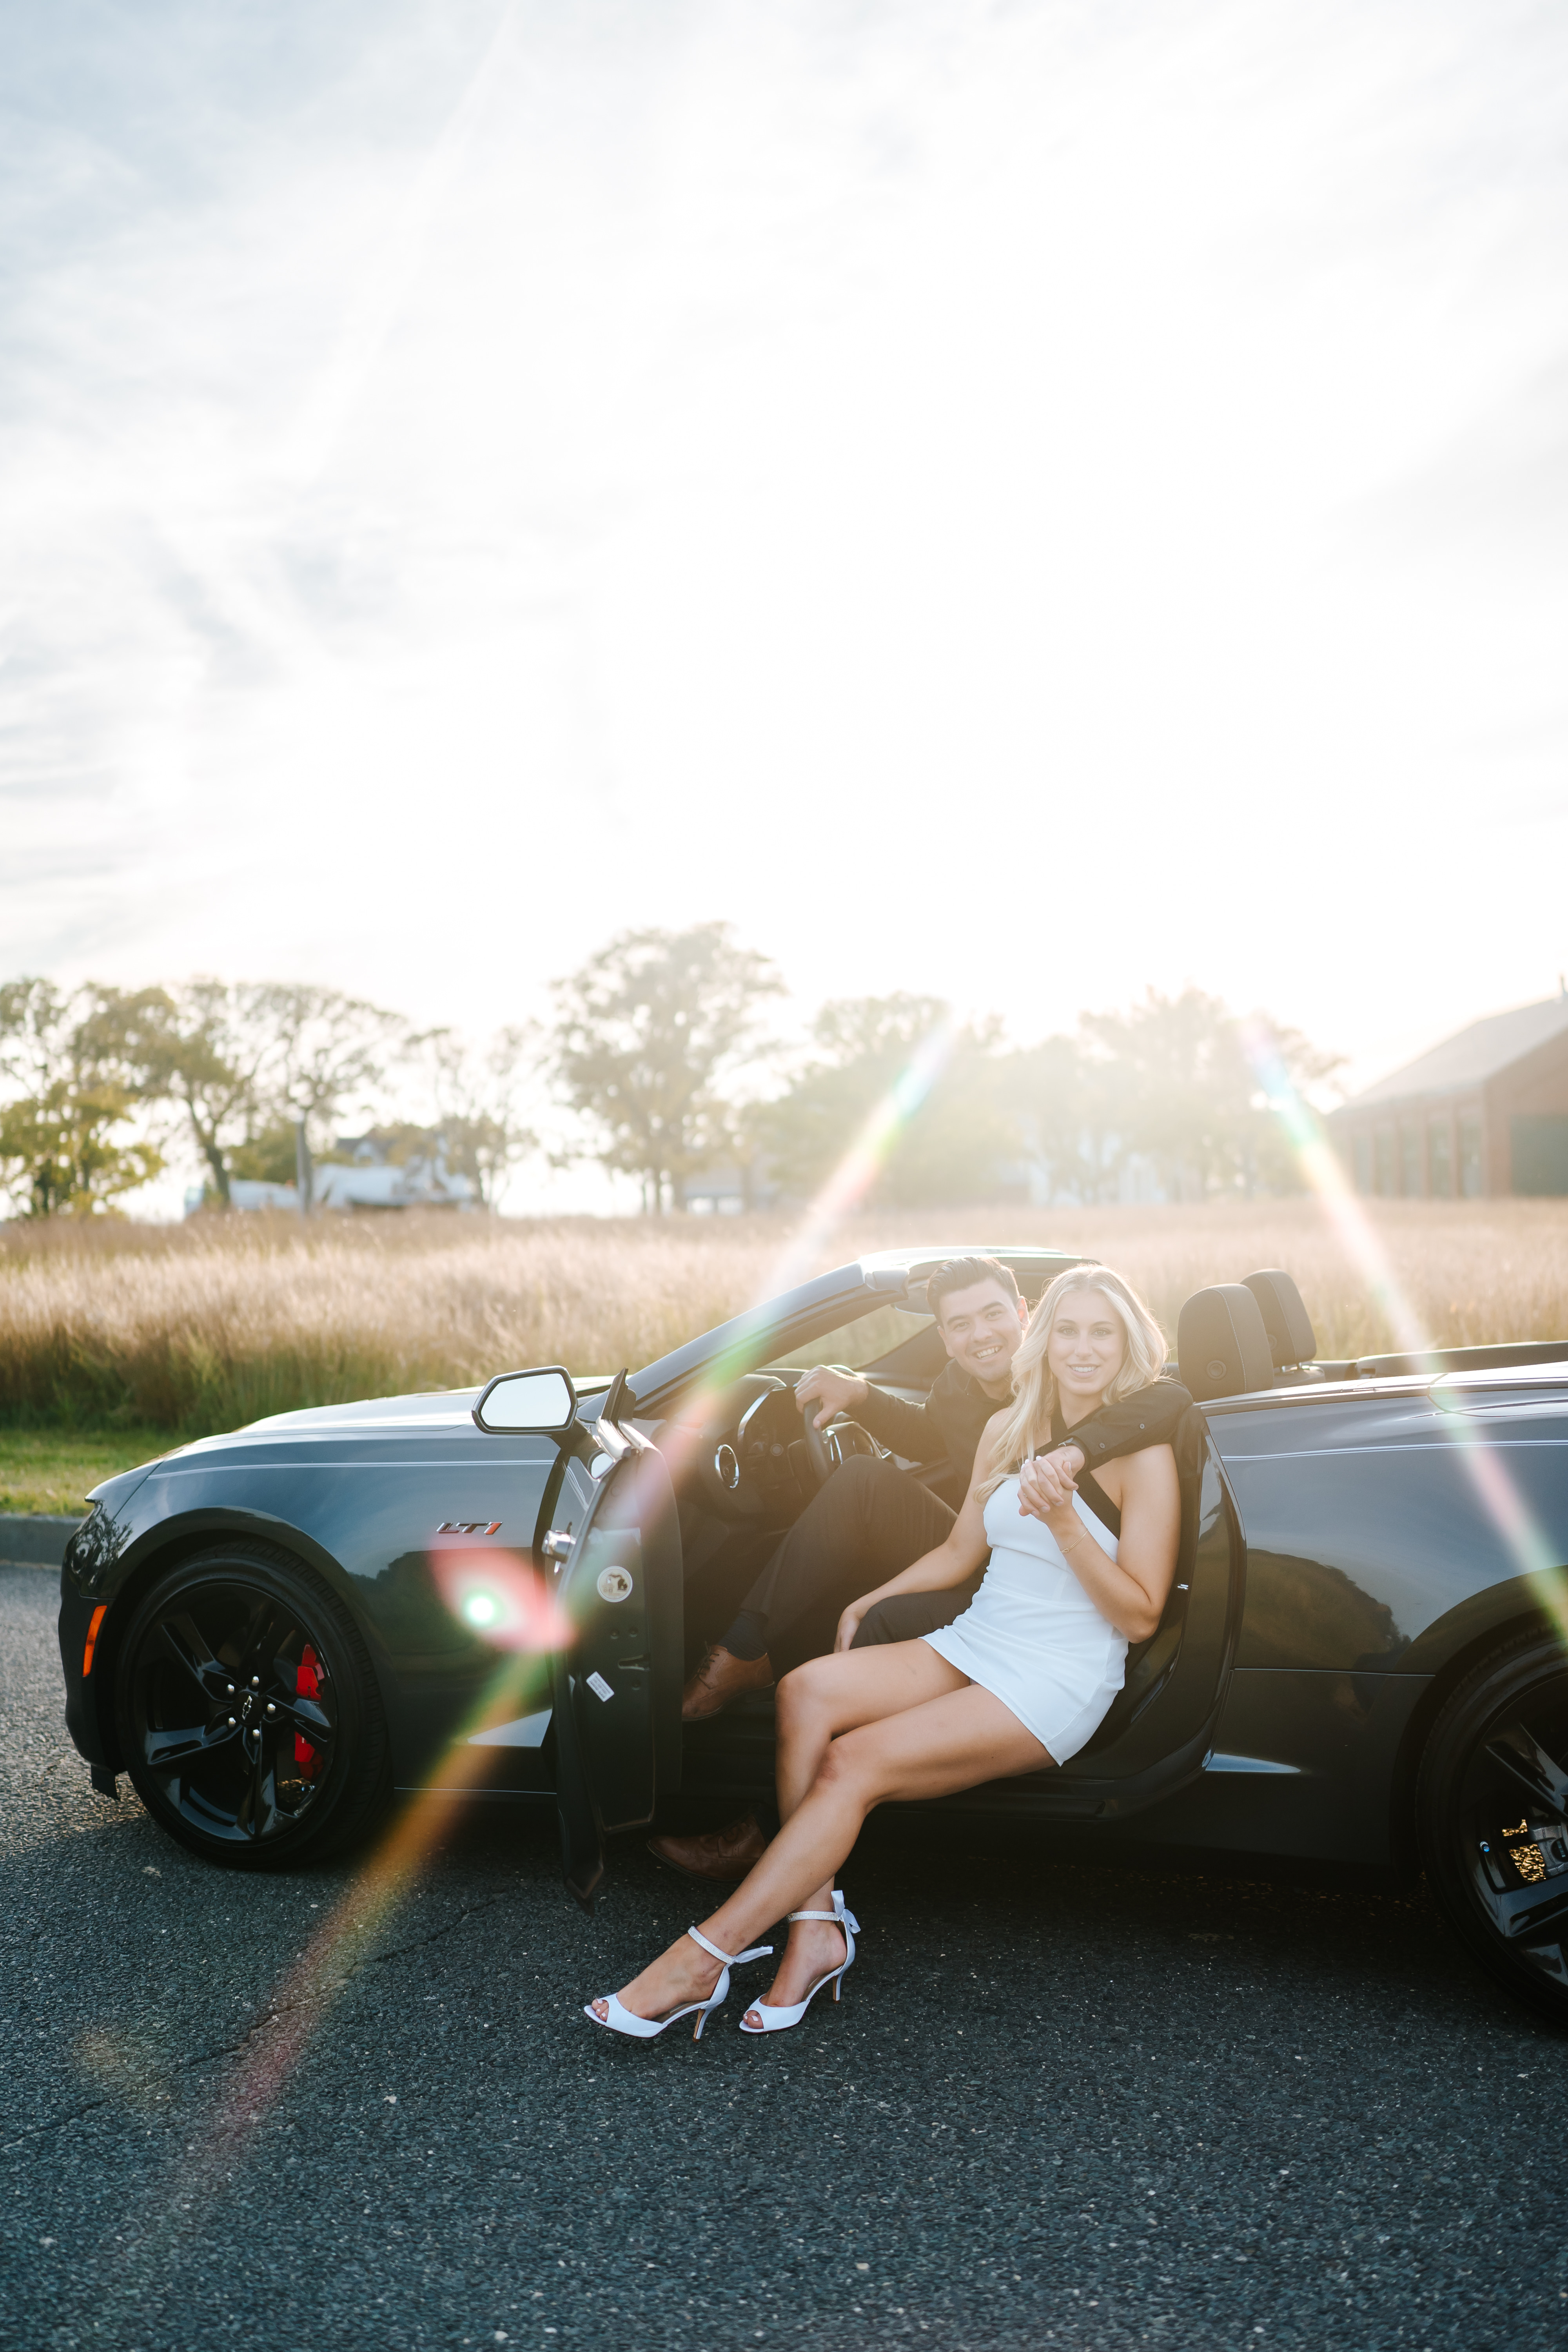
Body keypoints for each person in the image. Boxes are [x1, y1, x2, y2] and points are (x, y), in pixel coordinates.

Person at [588, 1265, 1181, 2041]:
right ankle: (813, 1932)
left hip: (1054, 1675)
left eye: (1101, 1332)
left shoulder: (1144, 1455)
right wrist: (869, 1601)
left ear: (1128, 1341)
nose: (1081, 1348)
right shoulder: (1009, 1428)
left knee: (851, 1764)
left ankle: (702, 1957)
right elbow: (961, 1547)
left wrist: (1067, 1524)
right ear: (1044, 1336)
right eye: (1067, 1330)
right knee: (804, 1691)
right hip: (978, 1638)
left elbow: (1138, 1616)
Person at [650, 1254, 1190, 1884]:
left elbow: (1166, 1400)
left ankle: (787, 1825)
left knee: (883, 1608)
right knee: (863, 1502)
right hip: (991, 1550)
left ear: (1025, 1316)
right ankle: (752, 1658)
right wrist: (861, 1394)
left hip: (1039, 1599)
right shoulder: (961, 1391)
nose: (980, 1335)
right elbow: (931, 1441)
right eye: (959, 1325)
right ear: (943, 1337)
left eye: (994, 1314)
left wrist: (1075, 1448)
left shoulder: (1076, 1381)